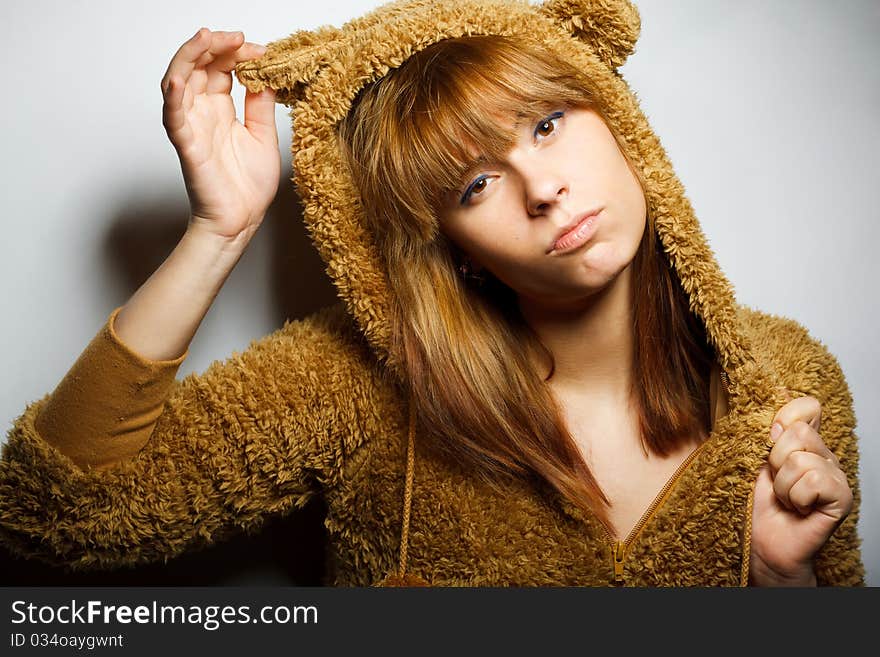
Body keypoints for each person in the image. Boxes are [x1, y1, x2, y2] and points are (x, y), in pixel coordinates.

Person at [0, 0, 864, 586]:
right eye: (473, 185)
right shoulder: (356, 381)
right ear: (453, 249)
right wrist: (220, 230)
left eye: (548, 123)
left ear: (618, 114)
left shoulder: (787, 381)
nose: (543, 187)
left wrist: (785, 586)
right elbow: (52, 510)